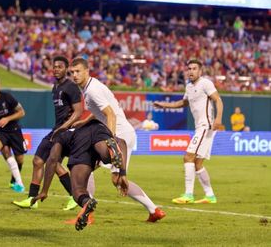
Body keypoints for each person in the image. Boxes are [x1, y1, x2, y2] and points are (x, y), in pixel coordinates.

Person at [70, 58, 165, 222]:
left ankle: (87, 214)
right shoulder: (91, 87)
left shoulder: (92, 90)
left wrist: (111, 140)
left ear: (87, 71)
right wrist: (86, 121)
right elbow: (103, 111)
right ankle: (154, 210)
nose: (74, 75)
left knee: (85, 166)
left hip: (119, 135)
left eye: (78, 71)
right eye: (72, 72)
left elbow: (110, 114)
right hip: (123, 134)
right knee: (117, 180)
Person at [13, 56, 83, 210]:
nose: (56, 69)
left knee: (54, 163)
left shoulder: (71, 87)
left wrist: (64, 127)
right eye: (54, 66)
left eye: (60, 67)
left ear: (66, 69)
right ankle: (32, 199)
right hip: (56, 129)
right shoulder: (55, 87)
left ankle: (75, 196)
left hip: (66, 131)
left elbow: (78, 112)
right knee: (38, 161)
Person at [32, 120, 127, 231]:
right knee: (106, 157)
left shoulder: (59, 137)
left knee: (78, 191)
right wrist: (123, 174)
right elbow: (123, 144)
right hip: (98, 127)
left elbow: (52, 160)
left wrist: (44, 191)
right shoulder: (77, 129)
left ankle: (86, 201)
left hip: (80, 144)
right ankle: (110, 150)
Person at [154, 59, 223, 204]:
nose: (191, 71)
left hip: (206, 126)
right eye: (189, 68)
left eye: (194, 68)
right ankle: (210, 196)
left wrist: (218, 119)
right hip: (201, 127)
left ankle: (188, 195)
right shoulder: (189, 87)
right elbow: (182, 103)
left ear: (200, 71)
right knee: (198, 163)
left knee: (188, 157)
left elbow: (218, 100)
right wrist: (164, 105)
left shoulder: (205, 83)